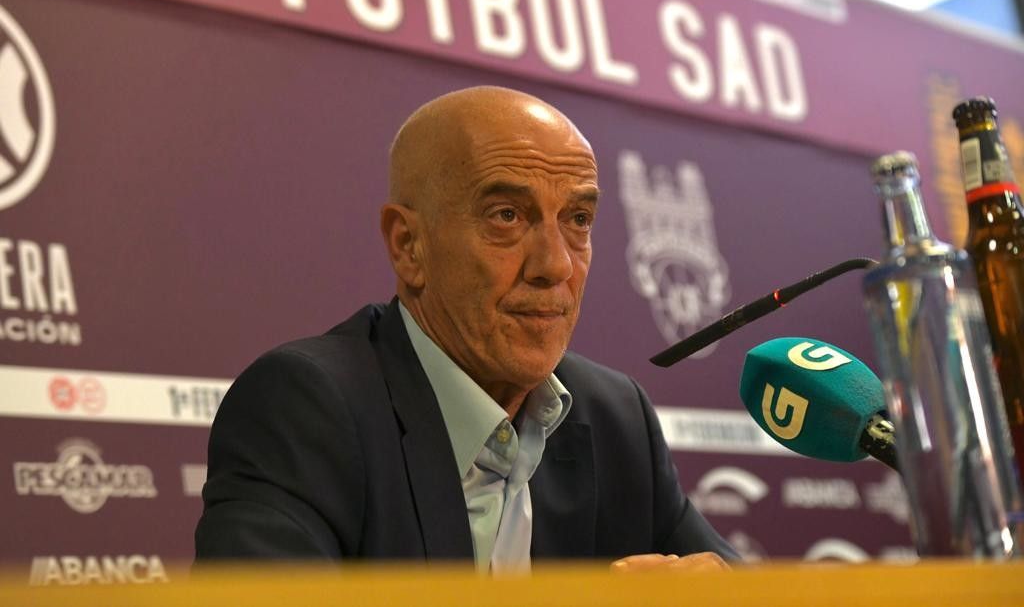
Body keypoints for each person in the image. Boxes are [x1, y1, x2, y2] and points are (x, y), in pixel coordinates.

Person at [194, 86, 737, 572]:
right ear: (409, 245)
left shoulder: (616, 417)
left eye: (577, 220)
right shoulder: (306, 409)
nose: (557, 265)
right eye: (507, 216)